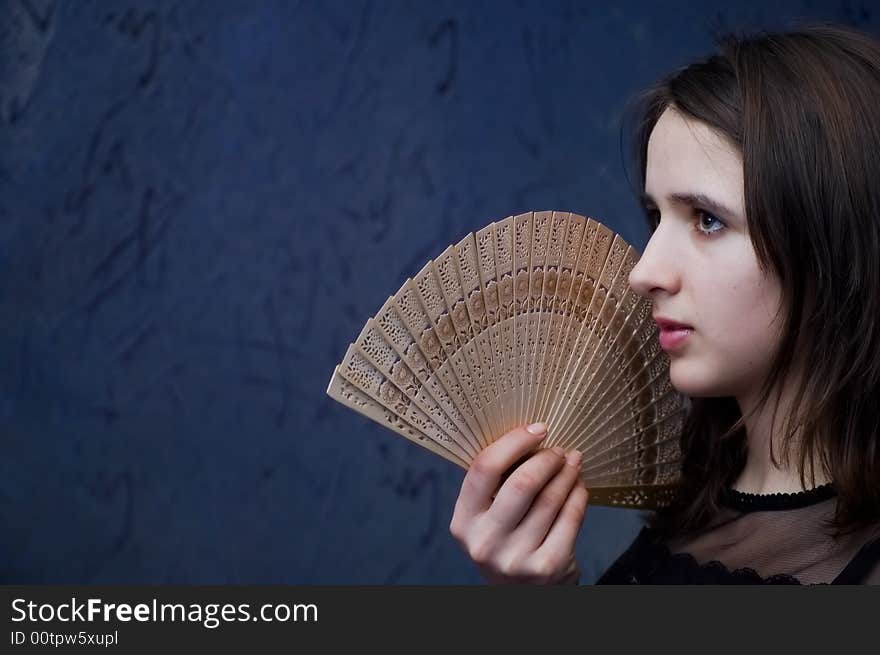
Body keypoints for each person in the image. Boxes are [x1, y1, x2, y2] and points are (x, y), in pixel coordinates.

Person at [448, 21, 880, 585]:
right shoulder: (687, 512)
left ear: (832, 242)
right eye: (656, 217)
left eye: (707, 219)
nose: (644, 272)